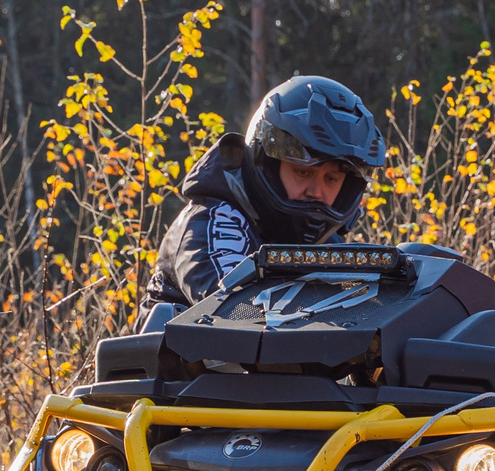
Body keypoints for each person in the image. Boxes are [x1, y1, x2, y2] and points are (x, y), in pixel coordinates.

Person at [145, 75, 389, 307]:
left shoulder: (328, 244)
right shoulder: (213, 222)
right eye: (303, 172)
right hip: (186, 351)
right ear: (268, 165)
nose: (316, 192)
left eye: (332, 179)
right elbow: (235, 311)